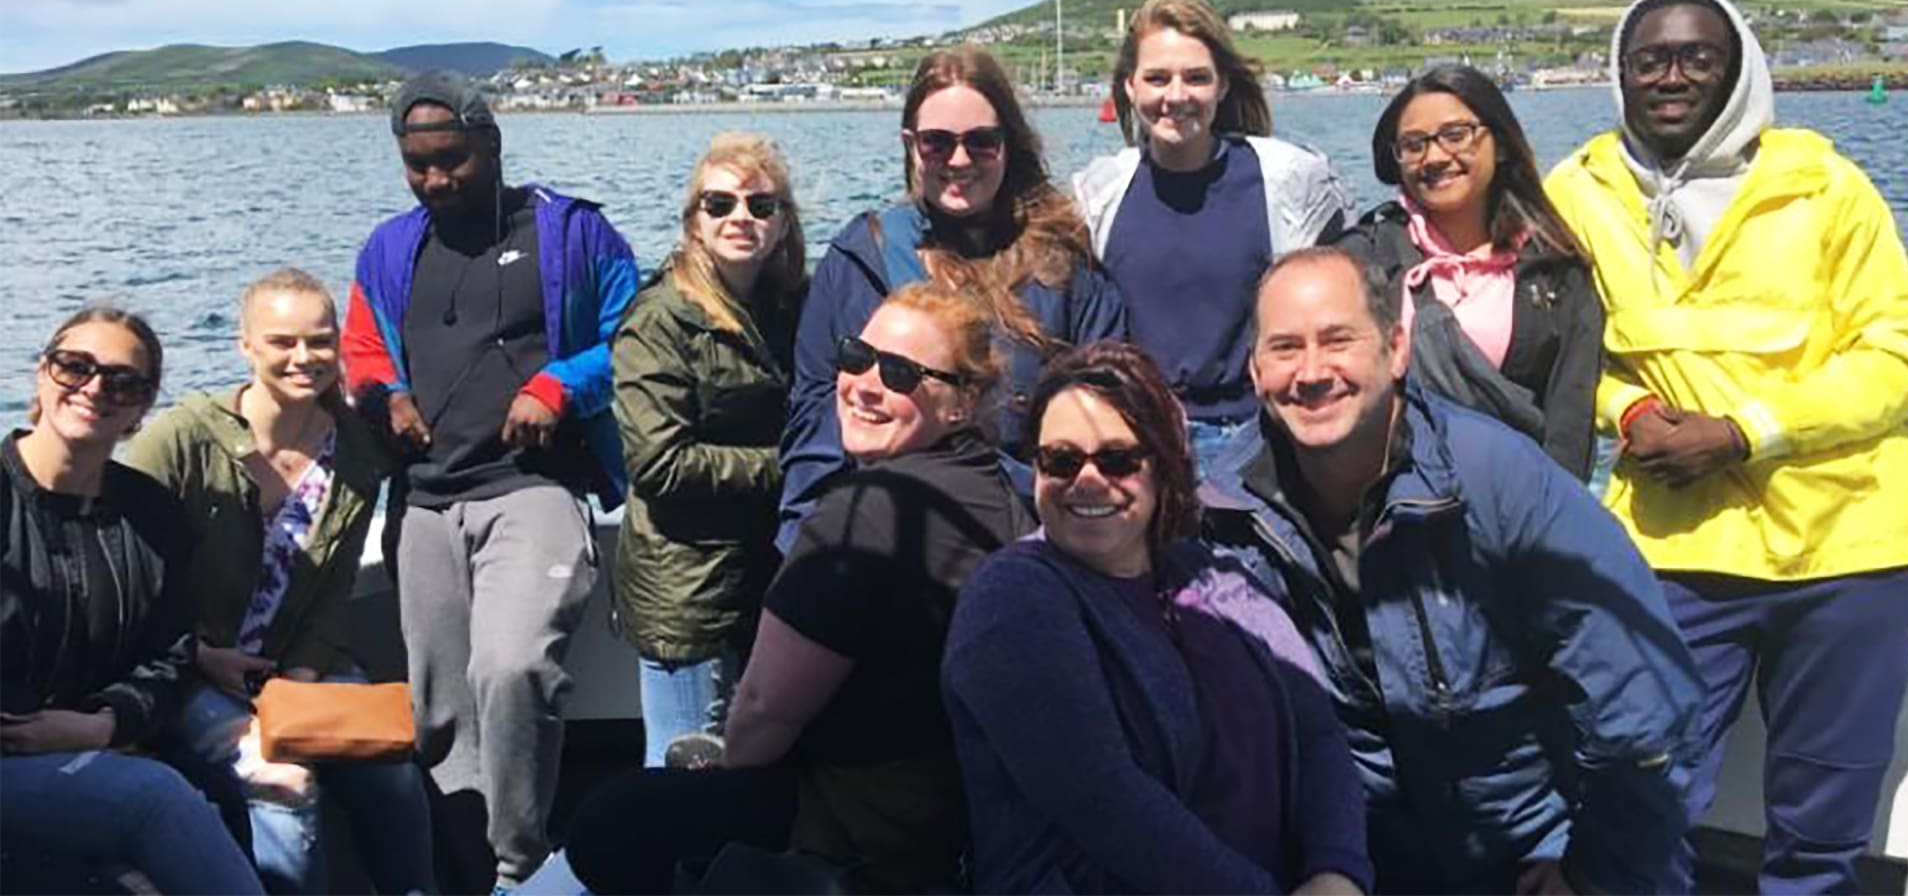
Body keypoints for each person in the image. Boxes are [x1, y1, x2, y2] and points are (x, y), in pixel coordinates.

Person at [1544, 0, 1908, 893]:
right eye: (1649, 60)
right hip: (1675, 547)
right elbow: (1546, 342)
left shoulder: (1827, 186)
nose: (1671, 78)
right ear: (1619, 75)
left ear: (1739, 69)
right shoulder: (1576, 191)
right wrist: (1627, 413)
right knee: (1646, 792)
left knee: (1821, 824)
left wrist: (1746, 432)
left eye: (1697, 58)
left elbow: (1898, 351)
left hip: (1850, 550)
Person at [1202, 247, 1702, 894]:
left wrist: (1592, 869)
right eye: (1285, 348)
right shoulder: (1228, 512)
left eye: (1338, 340)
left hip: (1533, 850)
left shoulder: (1496, 482)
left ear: (1397, 349)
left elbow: (1645, 702)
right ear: (1254, 370)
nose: (1312, 371)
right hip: (1361, 858)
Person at [568, 284, 1032, 894]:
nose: (865, 384)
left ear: (961, 404)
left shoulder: (864, 512)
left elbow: (762, 715)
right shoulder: (1005, 495)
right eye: (855, 356)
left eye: (898, 373)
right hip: (960, 817)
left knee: (609, 823)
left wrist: (726, 773)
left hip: (866, 833)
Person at [342, 70, 641, 892]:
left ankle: (520, 864)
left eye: (453, 161)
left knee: (511, 668)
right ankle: (464, 870)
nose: (436, 180)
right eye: (418, 165)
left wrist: (559, 385)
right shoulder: (389, 247)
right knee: (440, 706)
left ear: (492, 145)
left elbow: (637, 337)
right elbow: (361, 345)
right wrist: (385, 392)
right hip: (427, 500)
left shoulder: (573, 234)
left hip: (531, 487)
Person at [944, 341, 1371, 895]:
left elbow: (1317, 733)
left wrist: (1337, 871)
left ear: (1164, 466)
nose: (1088, 480)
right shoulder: (1013, 599)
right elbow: (1104, 801)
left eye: (1119, 458)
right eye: (1061, 460)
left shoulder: (1216, 577)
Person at [124, 268, 436, 894]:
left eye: (320, 342)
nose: (304, 359)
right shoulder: (185, 440)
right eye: (282, 342)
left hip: (294, 665)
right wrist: (200, 655)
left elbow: (331, 592)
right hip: (188, 670)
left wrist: (298, 687)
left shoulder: (353, 452)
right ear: (246, 346)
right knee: (284, 781)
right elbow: (124, 572)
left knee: (393, 769)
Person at [777, 44, 1124, 549]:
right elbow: (816, 418)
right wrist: (805, 546)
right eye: (937, 143)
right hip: (886, 537)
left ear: (1009, 143)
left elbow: (1105, 408)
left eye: (981, 142)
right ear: (911, 146)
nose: (959, 160)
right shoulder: (862, 258)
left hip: (1029, 538)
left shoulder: (1064, 267)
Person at [1, 307, 264, 895]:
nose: (95, 389)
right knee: (153, 799)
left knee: (254, 787)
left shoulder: (149, 513)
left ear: (141, 410)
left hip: (98, 745)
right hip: (12, 758)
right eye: (75, 367)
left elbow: (170, 655)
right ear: (41, 377)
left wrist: (102, 722)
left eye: (124, 382)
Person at [1073, 0, 1353, 477]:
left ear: (1223, 85)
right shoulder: (1098, 194)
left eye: (1196, 78)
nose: (1176, 96)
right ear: (1130, 87)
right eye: (1157, 78)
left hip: (1260, 440)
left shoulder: (1289, 180)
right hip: (1143, 443)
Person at [611, 132, 807, 767]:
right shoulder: (660, 320)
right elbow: (660, 463)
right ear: (693, 221)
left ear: (783, 223)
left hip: (759, 577)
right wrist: (791, 466)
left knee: (746, 763)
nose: (739, 219)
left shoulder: (786, 307)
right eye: (718, 205)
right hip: (688, 592)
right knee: (682, 774)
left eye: (760, 205)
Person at [1337, 64, 1601, 480]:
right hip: (1392, 513)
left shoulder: (1555, 269)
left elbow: (1570, 425)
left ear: (1501, 142)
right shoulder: (1358, 258)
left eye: (1456, 135)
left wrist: (1551, 525)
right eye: (1414, 144)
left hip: (1520, 508)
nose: (1436, 156)